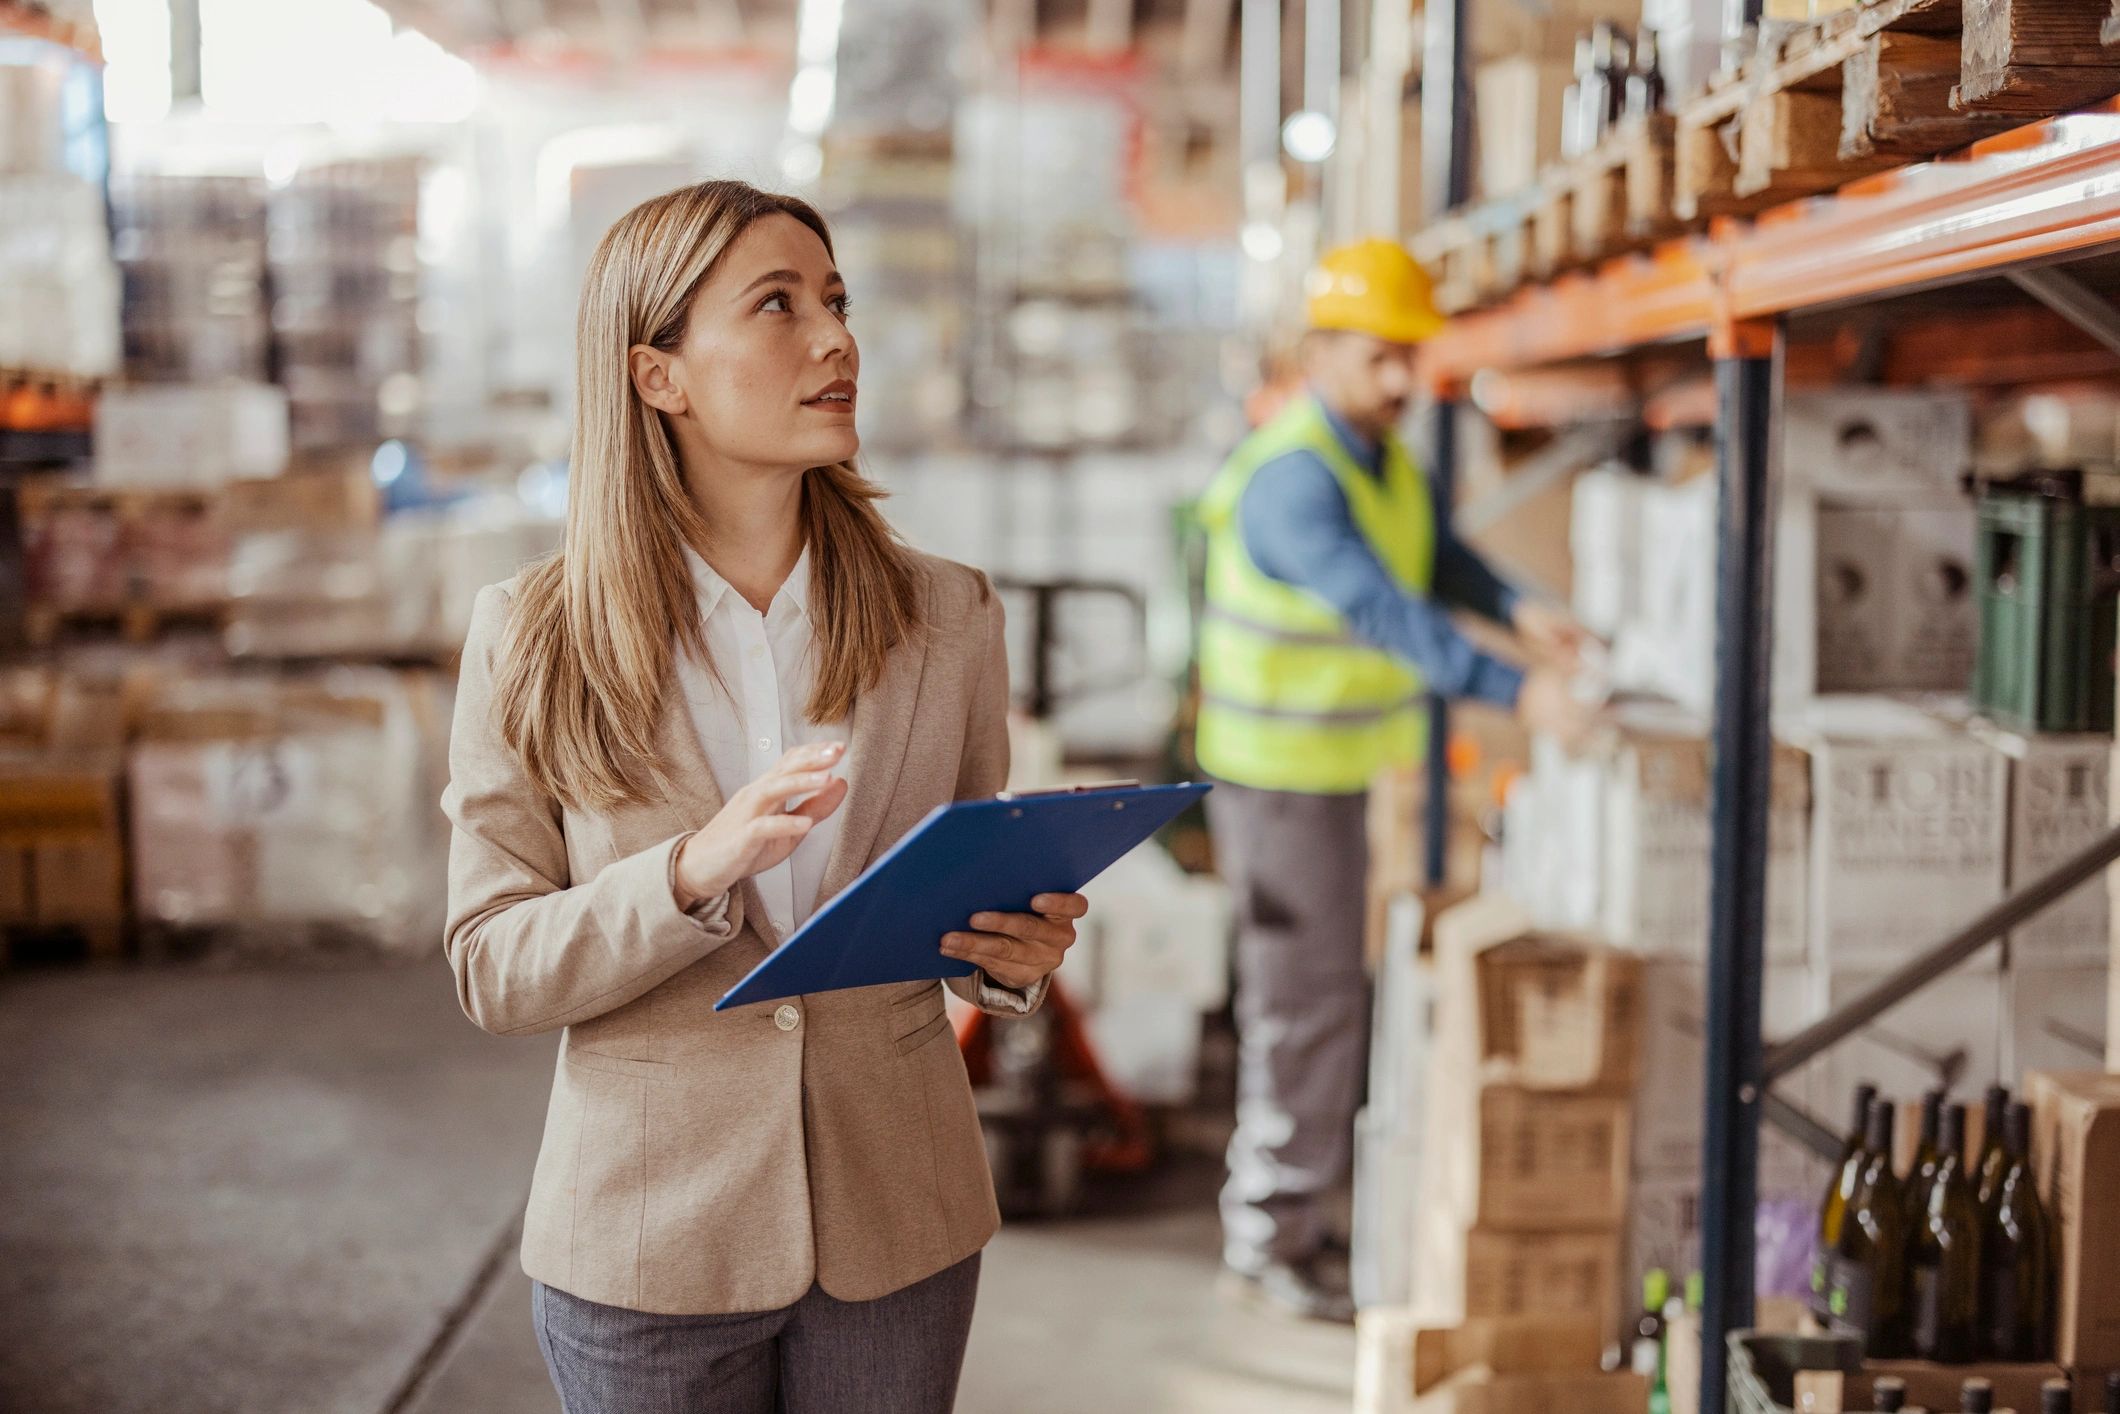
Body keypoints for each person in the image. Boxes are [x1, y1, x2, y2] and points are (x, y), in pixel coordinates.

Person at [441, 180, 1089, 1412]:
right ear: (658, 376)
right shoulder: (533, 634)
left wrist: (1012, 951)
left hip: (897, 1217)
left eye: (836, 302)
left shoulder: (947, 616)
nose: (836, 338)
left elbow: (964, 908)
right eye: (778, 306)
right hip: (646, 1239)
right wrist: (687, 871)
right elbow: (491, 964)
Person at [1195, 238, 1595, 1322]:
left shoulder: (1378, 458)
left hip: (1326, 772)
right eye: (1378, 356)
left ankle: (1294, 1215)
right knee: (1304, 1004)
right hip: (1274, 778)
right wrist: (1521, 693)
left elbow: (1437, 557)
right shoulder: (1290, 482)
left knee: (1325, 993)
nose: (1397, 381)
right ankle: (1272, 1237)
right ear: (1320, 349)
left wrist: (1518, 608)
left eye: (1409, 358)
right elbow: (1387, 609)